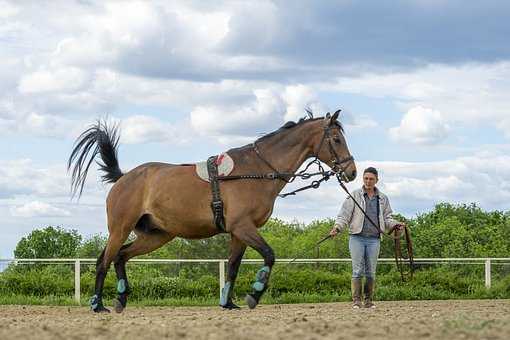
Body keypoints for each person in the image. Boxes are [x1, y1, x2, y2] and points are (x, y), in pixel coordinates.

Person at [329, 167, 405, 308]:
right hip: (357, 237)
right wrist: (337, 227)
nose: (368, 181)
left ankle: (368, 300)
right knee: (357, 269)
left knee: (371, 271)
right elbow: (344, 215)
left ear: (377, 180)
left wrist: (395, 225)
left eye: (371, 179)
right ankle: (357, 300)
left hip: (374, 239)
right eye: (366, 178)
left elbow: (387, 218)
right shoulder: (354, 195)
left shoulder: (383, 198)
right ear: (363, 179)